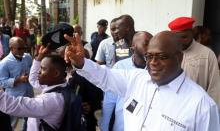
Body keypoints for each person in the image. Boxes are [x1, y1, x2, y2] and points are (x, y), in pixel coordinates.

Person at [64, 31, 220, 131]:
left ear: (179, 57)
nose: (153, 62)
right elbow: (105, 76)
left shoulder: (202, 106)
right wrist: (81, 62)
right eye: (149, 56)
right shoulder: (136, 79)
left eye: (162, 57)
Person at [0, 51, 68, 131]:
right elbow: (33, 79)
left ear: (56, 73)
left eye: (43, 69)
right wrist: (38, 59)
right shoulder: (58, 86)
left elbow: (15, 105)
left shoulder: (51, 100)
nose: (38, 72)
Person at [99, 31, 152, 131]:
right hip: (121, 125)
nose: (151, 48)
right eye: (146, 43)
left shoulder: (156, 70)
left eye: (153, 44)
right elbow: (109, 100)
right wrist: (104, 125)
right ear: (133, 47)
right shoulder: (120, 67)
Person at [168, 17, 220, 108]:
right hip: (173, 106)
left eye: (184, 37)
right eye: (176, 37)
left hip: (198, 108)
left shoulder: (207, 54)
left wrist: (211, 110)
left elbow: (214, 88)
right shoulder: (168, 52)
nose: (180, 41)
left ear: (192, 33)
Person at [0, 37, 34, 130]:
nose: (22, 51)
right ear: (11, 48)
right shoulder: (4, 63)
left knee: (30, 120)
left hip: (28, 95)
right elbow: (2, 82)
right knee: (12, 124)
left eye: (24, 48)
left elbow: (32, 70)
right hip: (13, 99)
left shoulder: (27, 57)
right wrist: (18, 80)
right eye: (19, 48)